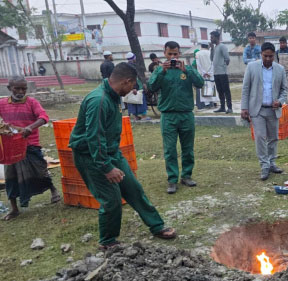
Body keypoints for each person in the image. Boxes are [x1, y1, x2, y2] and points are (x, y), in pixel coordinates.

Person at [68, 63, 176, 249]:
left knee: (133, 189)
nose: (133, 89)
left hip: (111, 152)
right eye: (133, 85)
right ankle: (107, 241)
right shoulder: (98, 101)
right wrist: (107, 167)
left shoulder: (114, 96)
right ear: (127, 81)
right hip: (91, 156)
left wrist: (111, 159)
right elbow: (94, 137)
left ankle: (157, 226)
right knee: (111, 200)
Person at [0, 76, 60, 220]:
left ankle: (53, 190)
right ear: (9, 88)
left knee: (40, 170)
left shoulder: (32, 102)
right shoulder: (2, 104)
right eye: (17, 88)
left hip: (30, 144)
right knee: (10, 176)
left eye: (24, 89)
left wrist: (30, 127)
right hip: (11, 147)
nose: (21, 92)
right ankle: (14, 209)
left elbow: (43, 117)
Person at [148, 41, 204, 194]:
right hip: (168, 116)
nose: (173, 57)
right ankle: (172, 179)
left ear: (179, 53)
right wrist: (161, 71)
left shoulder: (187, 68)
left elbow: (200, 83)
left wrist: (187, 71)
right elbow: (151, 87)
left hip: (186, 114)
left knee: (188, 148)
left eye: (175, 54)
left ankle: (186, 175)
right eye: (169, 54)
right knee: (170, 149)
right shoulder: (159, 70)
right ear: (164, 54)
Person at [241, 42, 288, 181]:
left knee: (273, 138)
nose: (268, 59)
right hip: (257, 110)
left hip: (273, 110)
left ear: (274, 56)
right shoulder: (251, 67)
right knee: (260, 137)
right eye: (265, 56)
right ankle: (264, 165)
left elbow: (284, 90)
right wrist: (244, 108)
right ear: (261, 54)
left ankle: (272, 163)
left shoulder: (280, 69)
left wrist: (280, 101)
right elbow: (245, 89)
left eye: (270, 56)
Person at [210, 31, 232, 113]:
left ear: (217, 37)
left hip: (222, 73)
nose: (211, 39)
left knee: (226, 91)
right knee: (220, 91)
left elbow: (227, 59)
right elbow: (211, 59)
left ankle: (230, 108)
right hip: (216, 73)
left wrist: (223, 66)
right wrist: (211, 49)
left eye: (212, 37)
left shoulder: (222, 46)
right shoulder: (215, 47)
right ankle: (222, 107)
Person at [125, 52, 148, 120]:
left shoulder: (126, 66)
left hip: (130, 86)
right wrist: (134, 88)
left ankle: (135, 116)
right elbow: (133, 78)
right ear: (133, 58)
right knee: (140, 100)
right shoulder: (132, 66)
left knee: (132, 101)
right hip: (136, 86)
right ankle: (143, 116)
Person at [276, 36, 288, 111]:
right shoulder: (277, 52)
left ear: (286, 43)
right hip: (280, 74)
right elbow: (277, 61)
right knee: (282, 90)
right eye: (281, 43)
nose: (282, 44)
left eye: (283, 43)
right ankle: (285, 106)